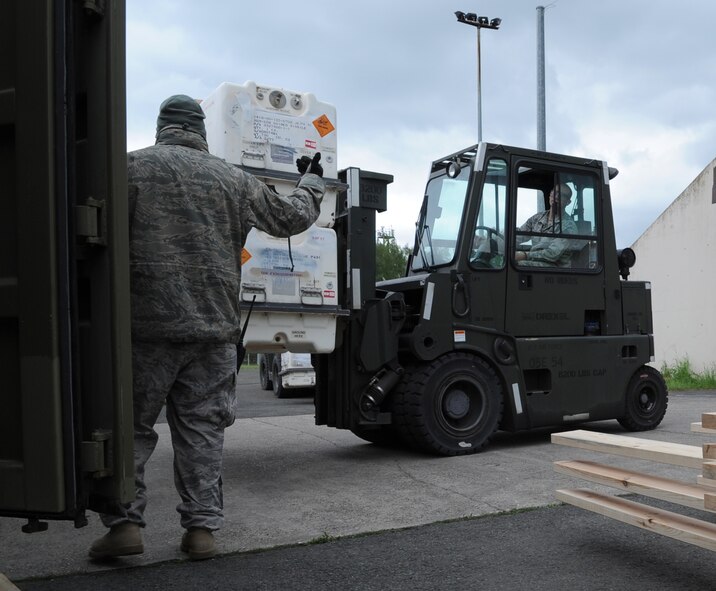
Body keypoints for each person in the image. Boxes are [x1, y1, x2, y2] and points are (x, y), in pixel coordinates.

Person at [89, 94, 325, 561]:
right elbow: (291, 218)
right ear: (200, 131)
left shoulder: (127, 169)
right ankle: (200, 531)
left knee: (130, 429)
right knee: (202, 431)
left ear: (161, 128)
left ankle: (124, 526)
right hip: (213, 331)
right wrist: (311, 181)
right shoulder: (232, 178)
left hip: (141, 331)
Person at [514, 183, 578, 267]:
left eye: (562, 195)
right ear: (550, 195)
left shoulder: (569, 226)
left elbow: (552, 254)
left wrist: (525, 255)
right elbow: (518, 236)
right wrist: (502, 241)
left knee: (516, 265)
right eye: (555, 192)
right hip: (535, 262)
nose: (556, 197)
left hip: (555, 269)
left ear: (568, 202)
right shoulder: (537, 218)